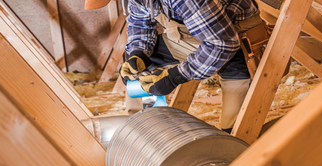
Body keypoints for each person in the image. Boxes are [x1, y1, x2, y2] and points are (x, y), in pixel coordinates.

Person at [85, 0, 265, 133]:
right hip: (193, 31)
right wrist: (138, 53)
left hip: (235, 37)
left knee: (234, 129)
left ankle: (233, 151)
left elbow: (223, 43)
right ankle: (138, 128)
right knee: (137, 71)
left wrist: (175, 76)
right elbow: (139, 22)